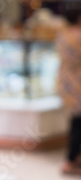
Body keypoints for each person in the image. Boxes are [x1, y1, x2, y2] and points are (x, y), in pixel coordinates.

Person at [57, 12, 81, 175]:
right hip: (78, 82)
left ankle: (73, 158)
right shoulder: (78, 36)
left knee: (75, 121)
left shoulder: (62, 35)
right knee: (78, 124)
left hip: (65, 81)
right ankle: (71, 159)